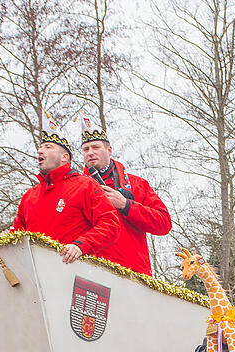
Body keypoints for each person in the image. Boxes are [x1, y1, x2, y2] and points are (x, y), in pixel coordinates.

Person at [12, 111, 121, 264]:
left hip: (73, 273)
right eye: (40, 147)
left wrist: (81, 245)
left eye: (48, 147)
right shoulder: (29, 196)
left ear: (64, 157)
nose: (40, 151)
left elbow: (110, 224)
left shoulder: (85, 186)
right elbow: (15, 237)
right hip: (34, 274)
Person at [80, 119, 172, 276]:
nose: (90, 152)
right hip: (91, 275)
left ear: (109, 150)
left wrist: (126, 205)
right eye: (85, 149)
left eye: (96, 147)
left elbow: (164, 223)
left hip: (134, 275)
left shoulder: (137, 184)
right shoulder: (77, 189)